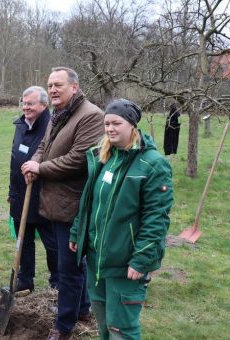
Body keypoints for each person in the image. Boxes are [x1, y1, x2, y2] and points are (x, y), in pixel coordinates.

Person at [69, 98, 173, 340]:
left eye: (116, 123)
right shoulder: (104, 157)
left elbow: (156, 219)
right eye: (107, 124)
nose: (110, 129)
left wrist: (141, 259)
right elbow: (89, 201)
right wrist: (77, 231)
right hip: (97, 259)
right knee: (104, 326)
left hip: (126, 263)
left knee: (121, 330)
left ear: (132, 126)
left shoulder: (153, 165)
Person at [21, 67, 104, 340]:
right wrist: (34, 161)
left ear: (75, 87)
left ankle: (64, 325)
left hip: (73, 204)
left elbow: (78, 159)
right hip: (55, 201)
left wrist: (40, 168)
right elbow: (45, 145)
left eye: (58, 85)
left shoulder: (90, 116)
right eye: (50, 85)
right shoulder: (59, 114)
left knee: (68, 266)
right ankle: (81, 308)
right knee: (71, 262)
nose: (53, 89)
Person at [9, 86, 58, 292]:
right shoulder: (21, 125)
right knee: (24, 239)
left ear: (43, 105)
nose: (25, 107)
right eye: (24, 103)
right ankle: (25, 279)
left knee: (52, 243)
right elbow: (14, 160)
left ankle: (56, 280)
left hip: (44, 195)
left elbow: (54, 158)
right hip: (21, 194)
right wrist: (11, 191)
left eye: (30, 103)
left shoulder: (52, 125)